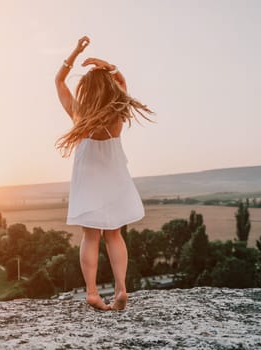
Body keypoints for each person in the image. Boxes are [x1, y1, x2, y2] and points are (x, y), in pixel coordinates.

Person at [54, 36, 155, 311]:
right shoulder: (118, 112)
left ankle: (92, 292)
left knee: (90, 236)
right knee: (114, 234)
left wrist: (75, 52)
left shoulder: (79, 116)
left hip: (87, 180)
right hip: (114, 178)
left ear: (86, 90)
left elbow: (59, 81)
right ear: (109, 88)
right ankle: (121, 289)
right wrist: (108, 66)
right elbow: (122, 82)